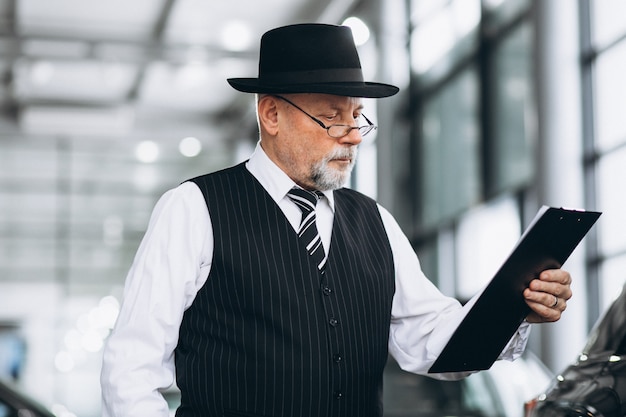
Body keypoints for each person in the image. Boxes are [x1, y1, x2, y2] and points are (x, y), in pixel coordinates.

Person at [100, 23, 573, 417]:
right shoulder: (194, 208)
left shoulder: (374, 222)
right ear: (271, 114)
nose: (353, 137)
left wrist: (515, 308)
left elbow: (430, 340)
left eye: (358, 118)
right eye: (332, 118)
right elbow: (132, 370)